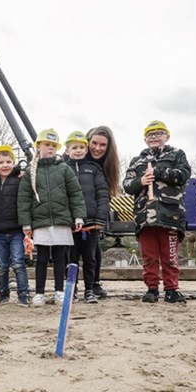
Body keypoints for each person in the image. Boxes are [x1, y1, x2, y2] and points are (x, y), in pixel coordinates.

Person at [122, 120, 191, 304]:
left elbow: (183, 175)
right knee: (149, 256)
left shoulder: (177, 154)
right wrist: (141, 181)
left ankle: (171, 289)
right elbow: (127, 186)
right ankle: (151, 289)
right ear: (145, 139)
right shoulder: (137, 161)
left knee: (170, 256)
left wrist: (159, 172)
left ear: (167, 136)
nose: (154, 137)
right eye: (150, 134)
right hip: (145, 218)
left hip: (170, 215)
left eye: (158, 133)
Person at [18, 129, 86, 307]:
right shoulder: (30, 172)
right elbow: (24, 198)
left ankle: (59, 291)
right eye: (47, 144)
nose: (50, 148)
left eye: (53, 145)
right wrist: (26, 222)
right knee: (41, 259)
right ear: (38, 146)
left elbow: (75, 194)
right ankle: (39, 293)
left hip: (62, 221)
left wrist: (78, 216)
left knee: (59, 258)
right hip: (40, 222)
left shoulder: (64, 169)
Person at [65, 131, 109, 304]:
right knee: (71, 258)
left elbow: (102, 194)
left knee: (90, 258)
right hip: (70, 223)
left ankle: (90, 289)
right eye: (74, 147)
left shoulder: (94, 169)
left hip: (91, 222)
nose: (78, 150)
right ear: (67, 150)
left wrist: (101, 217)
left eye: (81, 147)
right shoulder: (62, 168)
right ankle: (72, 289)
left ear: (86, 149)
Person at [0, 145, 30, 307]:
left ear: (14, 163)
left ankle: (23, 294)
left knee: (19, 263)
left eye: (8, 161)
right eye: (1, 162)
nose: (5, 165)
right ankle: (4, 295)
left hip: (16, 230)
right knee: (2, 266)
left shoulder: (20, 180)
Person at [85, 126, 122, 298]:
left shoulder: (107, 166)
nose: (97, 148)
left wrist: (99, 216)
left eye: (102, 145)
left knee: (93, 249)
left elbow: (105, 195)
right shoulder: (75, 156)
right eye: (94, 143)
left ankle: (94, 283)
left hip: (94, 211)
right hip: (75, 212)